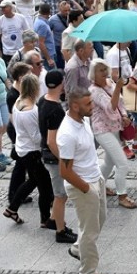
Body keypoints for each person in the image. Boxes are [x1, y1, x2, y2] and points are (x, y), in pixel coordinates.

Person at [58, 87, 110, 274]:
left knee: (99, 221)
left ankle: (79, 248)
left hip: (95, 179)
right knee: (90, 231)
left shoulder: (84, 120)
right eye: (88, 104)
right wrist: (87, 189)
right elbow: (65, 171)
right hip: (83, 186)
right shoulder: (67, 133)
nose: (92, 106)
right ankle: (88, 272)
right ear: (74, 105)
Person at [4, 73, 54, 225]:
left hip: (23, 148)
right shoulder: (30, 110)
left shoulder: (19, 101)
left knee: (32, 181)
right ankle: (45, 219)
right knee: (45, 186)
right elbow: (36, 137)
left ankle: (12, 208)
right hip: (32, 152)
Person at [89, 59, 137, 209]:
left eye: (105, 69)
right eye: (100, 70)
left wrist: (124, 116)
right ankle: (122, 195)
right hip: (102, 130)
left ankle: (98, 186)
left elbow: (120, 103)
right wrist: (117, 88)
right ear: (93, 74)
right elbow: (110, 108)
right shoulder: (94, 91)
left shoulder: (109, 82)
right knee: (122, 163)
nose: (104, 73)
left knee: (109, 162)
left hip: (115, 127)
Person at [38, 69, 78, 244]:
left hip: (46, 155)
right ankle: (61, 231)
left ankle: (54, 219)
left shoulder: (42, 101)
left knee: (59, 194)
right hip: (53, 158)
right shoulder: (55, 109)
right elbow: (51, 141)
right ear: (61, 83)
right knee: (61, 195)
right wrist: (64, 160)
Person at [0, 0, 32, 65]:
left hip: (20, 50)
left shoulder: (21, 18)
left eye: (5, 7)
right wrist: (0, 50)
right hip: (7, 52)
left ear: (10, 7)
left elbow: (27, 32)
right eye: (2, 8)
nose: (3, 10)